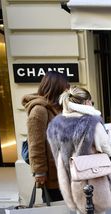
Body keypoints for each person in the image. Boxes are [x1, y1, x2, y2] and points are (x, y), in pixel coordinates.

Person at [46, 86, 111, 214]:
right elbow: (109, 149)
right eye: (91, 101)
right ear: (87, 102)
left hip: (73, 179)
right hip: (94, 179)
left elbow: (57, 152)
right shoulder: (92, 123)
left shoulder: (57, 123)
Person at [22, 71, 70, 203]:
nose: (68, 90)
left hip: (64, 169)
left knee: (68, 211)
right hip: (52, 174)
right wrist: (39, 172)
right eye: (65, 87)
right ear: (56, 88)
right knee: (56, 211)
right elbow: (35, 144)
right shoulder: (39, 110)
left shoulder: (58, 108)